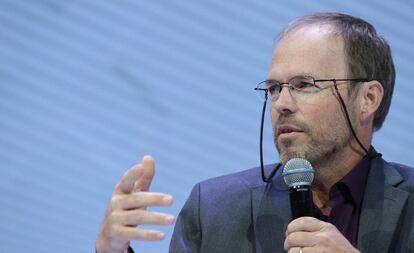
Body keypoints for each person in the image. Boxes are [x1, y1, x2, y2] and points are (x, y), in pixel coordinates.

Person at [96, 12, 414, 253]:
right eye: (275, 88)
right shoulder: (214, 209)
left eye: (304, 85)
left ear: (368, 99)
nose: (282, 104)